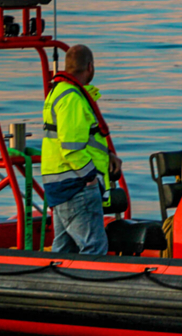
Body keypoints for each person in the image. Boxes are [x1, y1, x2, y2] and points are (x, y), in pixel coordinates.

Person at [41, 44, 122, 255]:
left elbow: (80, 138)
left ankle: (56, 285)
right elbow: (72, 148)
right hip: (76, 185)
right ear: (90, 67)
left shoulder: (58, 92)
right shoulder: (73, 99)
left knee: (64, 250)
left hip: (60, 183)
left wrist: (107, 156)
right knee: (94, 248)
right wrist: (90, 177)